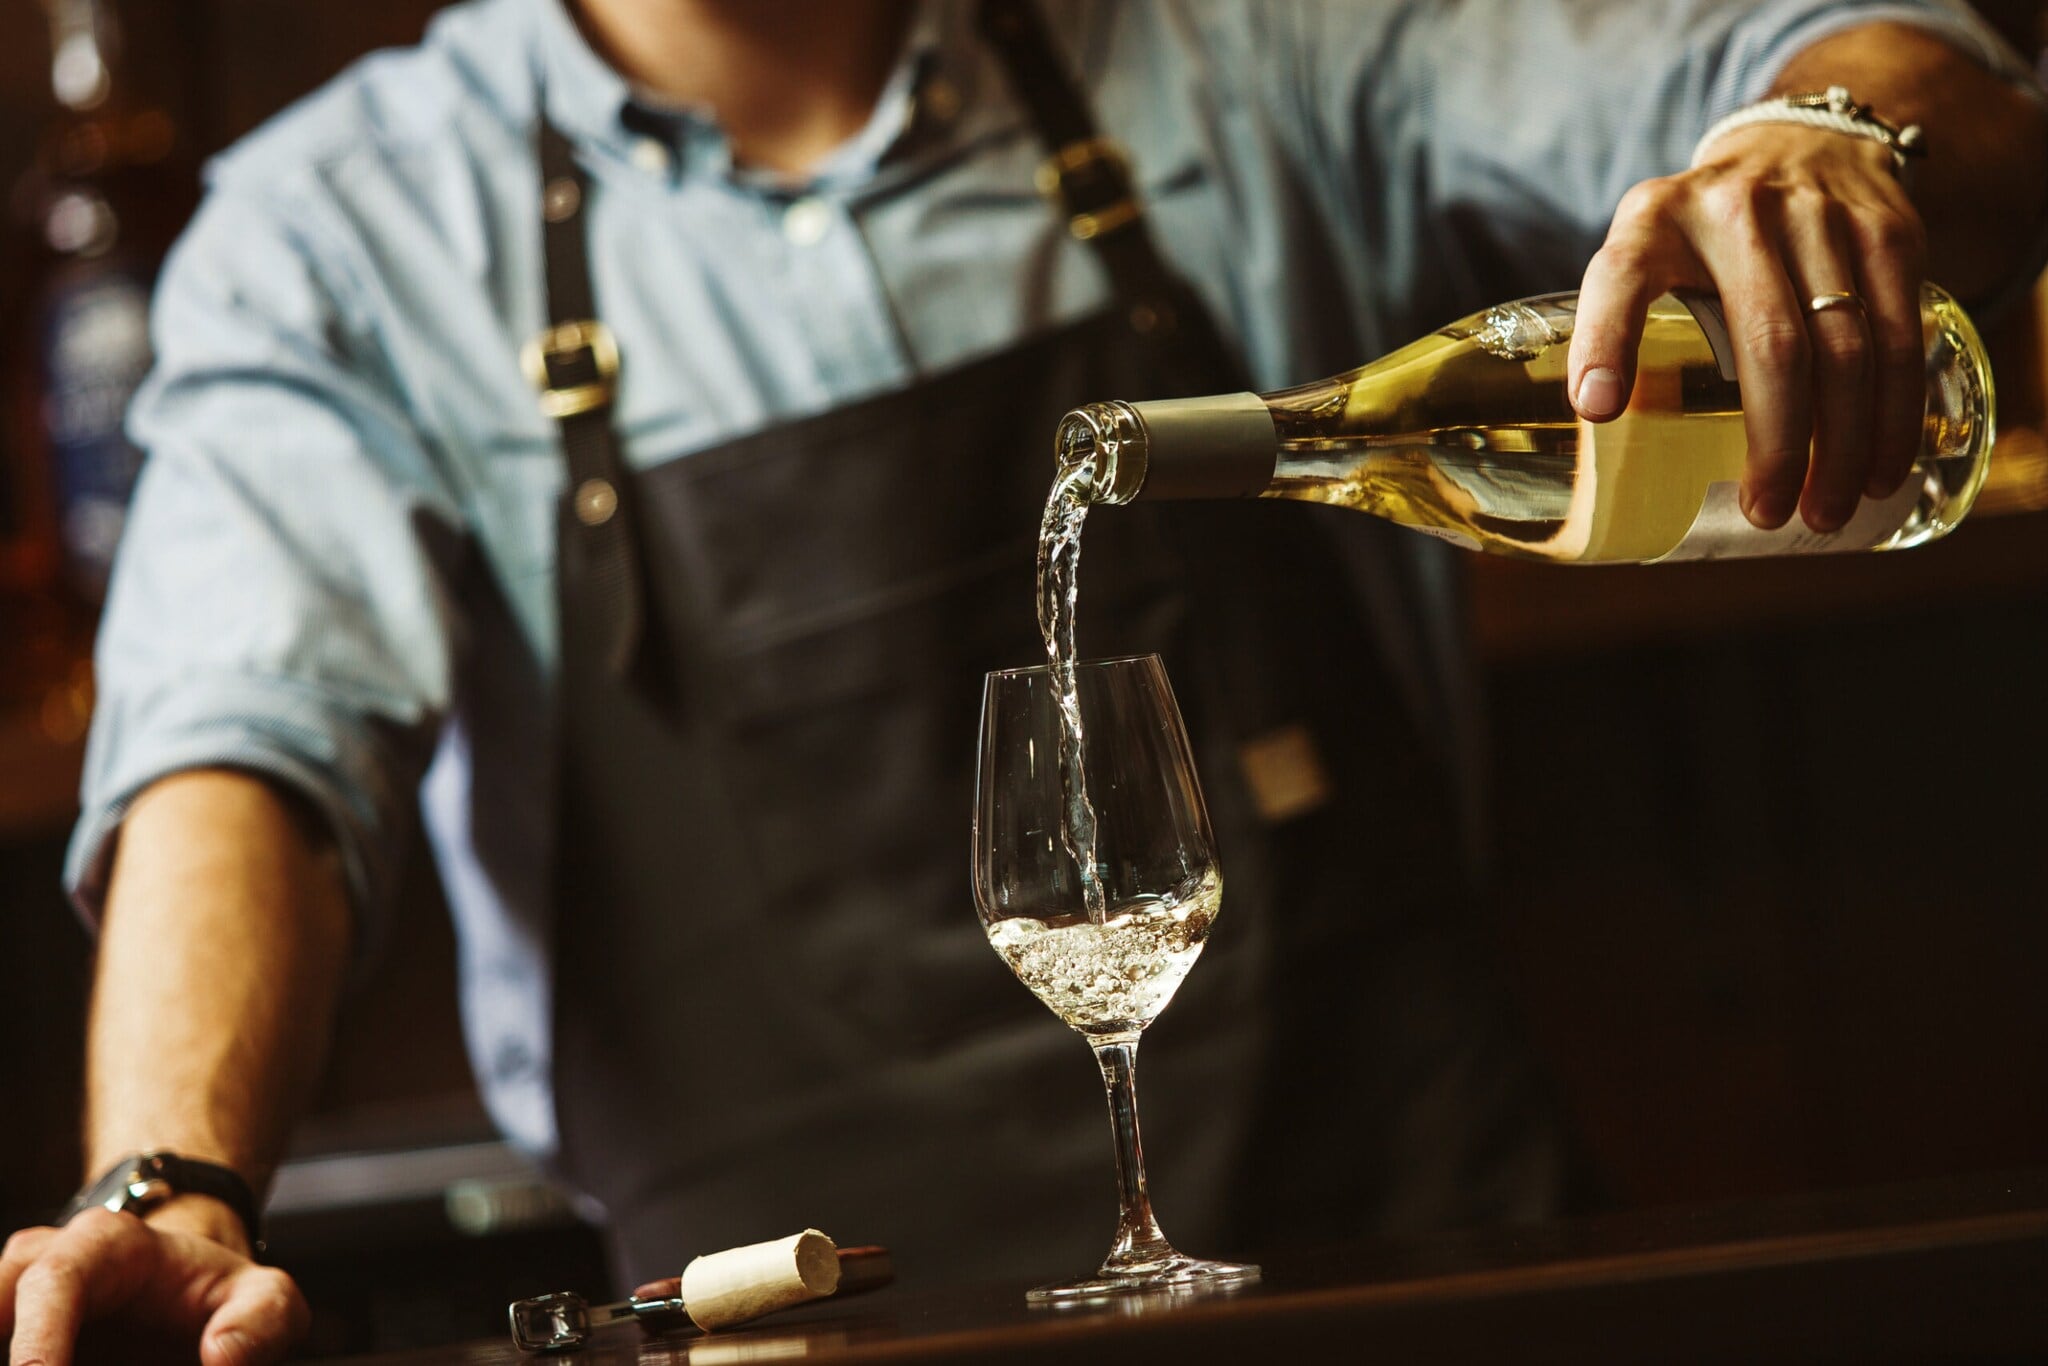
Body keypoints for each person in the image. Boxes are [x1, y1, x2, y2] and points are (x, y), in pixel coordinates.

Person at [5, 0, 2046, 1361]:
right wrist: (163, 1174)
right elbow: (234, 738)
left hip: (1420, 1286)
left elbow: (1893, 70)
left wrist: (1825, 140)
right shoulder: (337, 234)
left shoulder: (1235, 38)